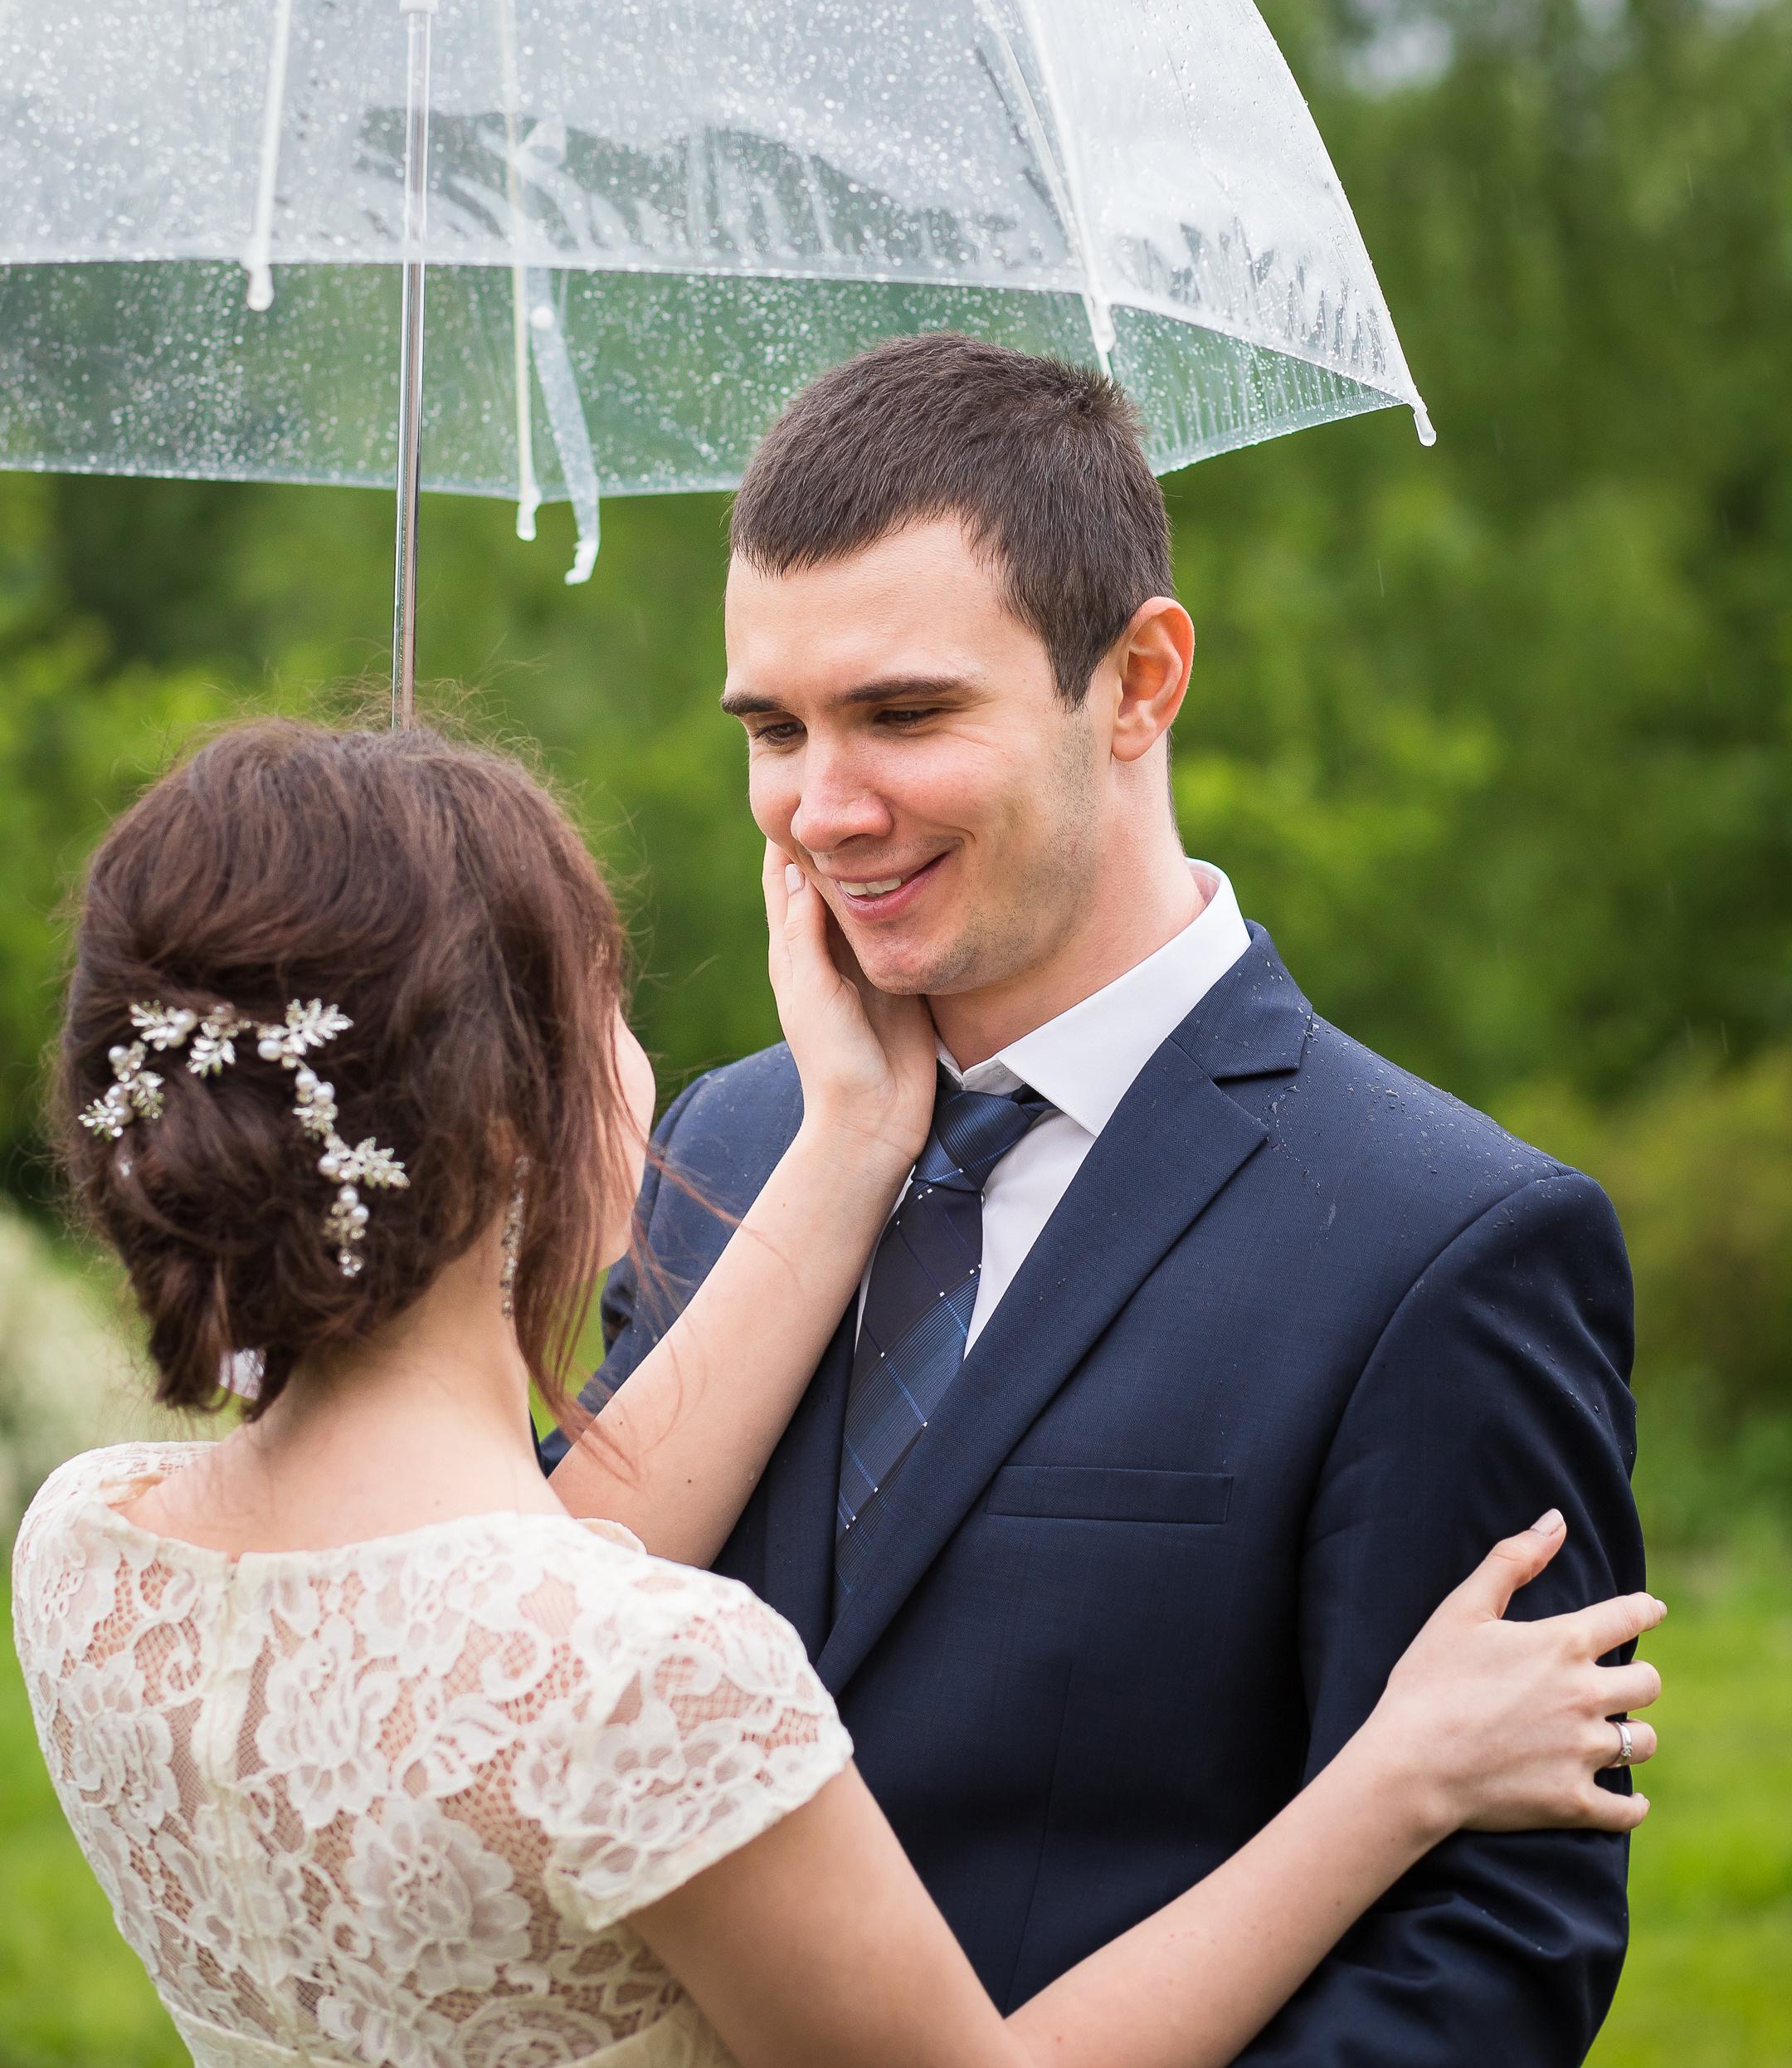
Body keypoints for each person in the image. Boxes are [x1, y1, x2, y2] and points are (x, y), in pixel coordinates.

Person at [13, 719, 1658, 2068]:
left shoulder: (90, 1555)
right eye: (610, 1003)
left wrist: (859, 1140)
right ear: (517, 1120)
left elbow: (506, 1597)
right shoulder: (644, 1680)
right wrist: (1395, 1781)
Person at [548, 330, 1653, 2064]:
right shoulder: (733, 1144)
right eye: (775, 729)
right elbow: (535, 1651)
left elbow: (1491, 1952)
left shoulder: (1449, 1242)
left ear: (1140, 681)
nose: (824, 810)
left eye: (905, 714)